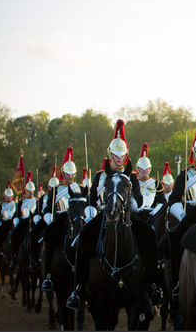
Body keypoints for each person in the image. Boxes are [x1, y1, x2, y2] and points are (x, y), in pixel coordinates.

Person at [66, 119, 164, 310]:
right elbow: (91, 199)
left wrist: (129, 203)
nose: (119, 159)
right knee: (84, 238)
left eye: (122, 156)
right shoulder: (100, 175)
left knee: (149, 235)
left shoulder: (132, 175)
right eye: (115, 156)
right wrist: (91, 210)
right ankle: (77, 290)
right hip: (104, 216)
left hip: (127, 217)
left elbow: (139, 200)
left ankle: (153, 285)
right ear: (110, 155)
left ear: (126, 156)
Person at [41, 146, 81, 292]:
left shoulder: (80, 188)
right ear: (63, 174)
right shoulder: (56, 189)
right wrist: (50, 220)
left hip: (77, 219)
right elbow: (47, 209)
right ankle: (48, 276)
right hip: (60, 220)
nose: (70, 177)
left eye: (72, 174)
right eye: (67, 174)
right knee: (49, 237)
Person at [168, 121, 196, 223]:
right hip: (191, 213)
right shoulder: (185, 175)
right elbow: (174, 199)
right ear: (194, 155)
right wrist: (182, 216)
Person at [10, 171, 38, 268]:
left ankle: (36, 259)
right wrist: (16, 220)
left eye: (32, 190)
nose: (31, 192)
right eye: (29, 190)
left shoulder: (36, 201)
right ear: (25, 190)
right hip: (23, 223)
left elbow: (38, 213)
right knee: (14, 235)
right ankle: (13, 258)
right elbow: (16, 214)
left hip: (33, 223)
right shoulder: (21, 203)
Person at [133, 143, 166, 222]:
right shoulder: (133, 183)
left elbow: (162, 201)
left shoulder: (156, 183)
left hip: (151, 215)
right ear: (138, 169)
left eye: (147, 169)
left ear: (150, 169)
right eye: (142, 169)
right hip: (135, 215)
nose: (144, 171)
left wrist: (154, 212)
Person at [0, 180, 17, 258]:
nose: (9, 197)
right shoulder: (1, 205)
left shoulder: (15, 205)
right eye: (7, 196)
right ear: (4, 196)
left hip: (12, 223)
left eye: (10, 196)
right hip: (4, 223)